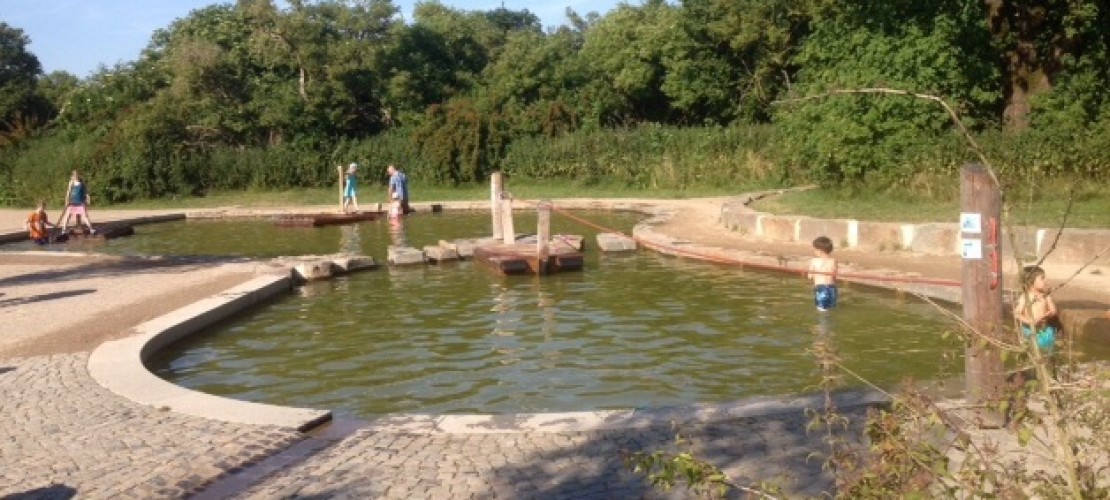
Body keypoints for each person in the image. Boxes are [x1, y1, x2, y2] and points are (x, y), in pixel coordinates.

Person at [1014, 265, 1058, 354]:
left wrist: (1050, 313)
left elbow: (1053, 310)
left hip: (1045, 329)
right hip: (1030, 331)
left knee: (1048, 353)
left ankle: (1048, 362)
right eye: (1042, 278)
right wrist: (1029, 321)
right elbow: (1016, 313)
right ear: (1031, 281)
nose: (1045, 281)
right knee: (1034, 352)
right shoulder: (1025, 297)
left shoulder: (1045, 295)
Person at [807, 236, 838, 311]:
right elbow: (834, 276)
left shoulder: (814, 261)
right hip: (832, 288)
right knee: (831, 309)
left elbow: (809, 276)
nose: (814, 252)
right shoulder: (833, 261)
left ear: (819, 251)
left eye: (815, 249)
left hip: (821, 288)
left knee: (822, 311)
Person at [61, 170, 96, 234]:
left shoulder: (82, 183)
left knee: (85, 216)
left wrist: (88, 198)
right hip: (72, 202)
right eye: (74, 175)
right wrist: (66, 200)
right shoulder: (71, 182)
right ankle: (63, 230)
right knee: (68, 215)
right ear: (73, 176)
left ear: (78, 175)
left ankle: (91, 229)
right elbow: (68, 192)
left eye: (77, 175)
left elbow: (86, 192)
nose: (76, 176)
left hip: (81, 202)